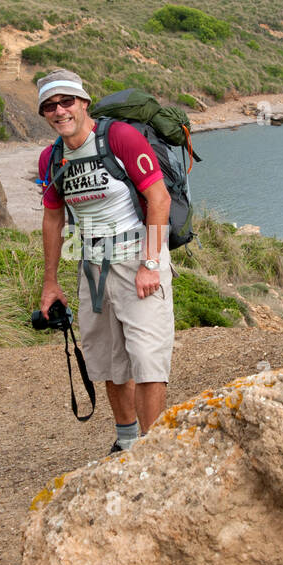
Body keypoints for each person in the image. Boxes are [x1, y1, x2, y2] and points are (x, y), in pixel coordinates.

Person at [36, 69, 174, 454]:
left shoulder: (119, 138)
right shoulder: (51, 157)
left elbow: (159, 199)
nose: (59, 111)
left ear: (83, 102)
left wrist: (150, 264)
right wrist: (51, 282)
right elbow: (53, 216)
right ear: (45, 114)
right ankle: (127, 441)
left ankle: (154, 450)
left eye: (66, 101)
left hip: (138, 258)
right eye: (50, 105)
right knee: (110, 361)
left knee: (146, 356)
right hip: (92, 266)